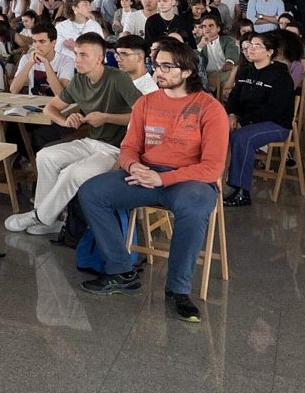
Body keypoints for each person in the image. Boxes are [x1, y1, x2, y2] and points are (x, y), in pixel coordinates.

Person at [77, 38, 229, 321]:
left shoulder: (210, 109)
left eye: (167, 67)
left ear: (187, 72)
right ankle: (121, 271)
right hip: (145, 174)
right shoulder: (145, 103)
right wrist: (133, 166)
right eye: (156, 66)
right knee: (91, 192)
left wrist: (164, 179)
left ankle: (178, 290)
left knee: (195, 209)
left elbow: (212, 168)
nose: (158, 72)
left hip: (189, 181)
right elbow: (129, 147)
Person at [5, 33, 142, 236]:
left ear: (99, 58)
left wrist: (106, 117)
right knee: (45, 156)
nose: (77, 59)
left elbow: (142, 115)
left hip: (116, 150)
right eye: (76, 54)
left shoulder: (117, 78)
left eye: (83, 55)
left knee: (73, 173)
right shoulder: (79, 82)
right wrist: (65, 120)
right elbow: (50, 108)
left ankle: (40, 216)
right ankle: (49, 220)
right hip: (91, 141)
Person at [223, 31, 296, 207]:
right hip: (246, 121)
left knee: (242, 137)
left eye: (257, 46)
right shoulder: (246, 71)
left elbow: (274, 108)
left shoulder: (280, 75)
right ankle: (210, 182)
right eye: (249, 46)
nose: (251, 50)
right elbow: (233, 98)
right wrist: (232, 114)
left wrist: (244, 121)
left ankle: (242, 192)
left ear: (269, 52)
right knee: (215, 130)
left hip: (275, 124)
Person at [9, 23, 75, 97]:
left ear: (53, 43)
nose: (37, 45)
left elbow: (60, 95)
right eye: (34, 41)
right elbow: (14, 90)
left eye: (42, 41)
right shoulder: (27, 58)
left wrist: (46, 63)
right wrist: (30, 64)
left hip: (57, 106)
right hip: (34, 105)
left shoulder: (67, 61)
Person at [196, 12, 240, 99]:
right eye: (204, 26)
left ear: (218, 28)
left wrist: (229, 62)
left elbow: (232, 52)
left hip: (226, 70)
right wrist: (201, 45)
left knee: (227, 78)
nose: (207, 29)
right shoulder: (197, 41)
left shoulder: (227, 40)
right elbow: (191, 59)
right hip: (205, 74)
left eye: (211, 25)